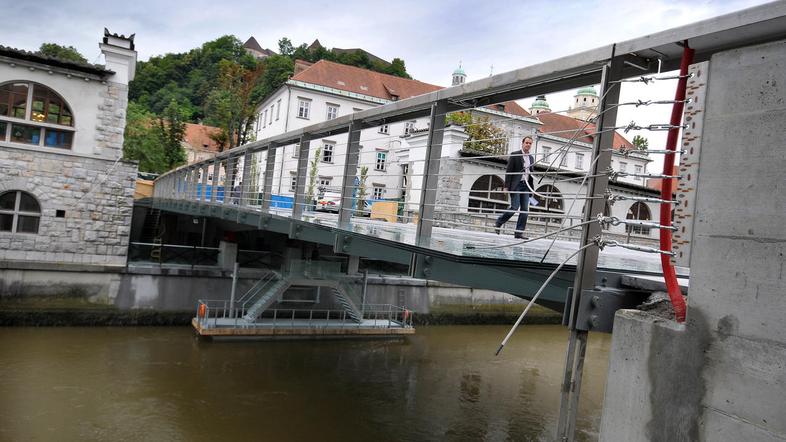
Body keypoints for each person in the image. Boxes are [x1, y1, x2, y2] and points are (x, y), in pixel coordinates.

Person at [495, 136, 535, 239]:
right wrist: (506, 186)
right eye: (526, 143)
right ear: (522, 143)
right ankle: (499, 222)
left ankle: (518, 232)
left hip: (526, 186)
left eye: (530, 143)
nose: (528, 145)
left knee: (525, 210)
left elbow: (531, 174)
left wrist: (532, 189)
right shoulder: (515, 155)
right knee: (514, 207)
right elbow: (509, 171)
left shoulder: (531, 158)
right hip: (516, 185)